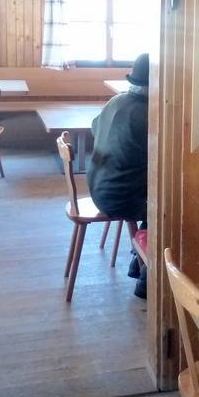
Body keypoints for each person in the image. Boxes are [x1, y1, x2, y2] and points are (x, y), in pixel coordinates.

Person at [87, 53, 149, 298]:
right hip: (120, 198)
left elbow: (95, 128)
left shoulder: (115, 101)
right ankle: (147, 277)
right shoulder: (146, 114)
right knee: (170, 208)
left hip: (98, 188)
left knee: (158, 198)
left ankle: (138, 257)